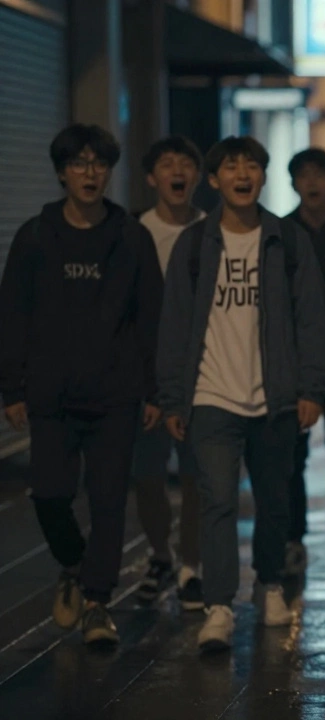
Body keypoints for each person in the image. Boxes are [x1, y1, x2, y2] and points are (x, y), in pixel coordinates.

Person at [155, 136, 325, 652]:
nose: (241, 174)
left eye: (250, 165)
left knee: (275, 499)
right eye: (230, 166)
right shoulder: (194, 244)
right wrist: (173, 398)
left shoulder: (287, 241)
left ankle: (271, 584)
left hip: (274, 396)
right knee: (217, 502)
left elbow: (312, 320)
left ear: (262, 176)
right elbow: (174, 326)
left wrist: (311, 388)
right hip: (211, 394)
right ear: (214, 180)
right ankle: (219, 607)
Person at [0, 124, 164, 647]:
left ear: (109, 172)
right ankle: (72, 562)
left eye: (99, 164)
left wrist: (156, 391)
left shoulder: (131, 238)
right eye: (79, 163)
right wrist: (12, 388)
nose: (90, 173)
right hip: (51, 395)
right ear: (61, 173)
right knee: (49, 494)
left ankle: (96, 602)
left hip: (115, 396)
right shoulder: (35, 236)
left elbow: (151, 319)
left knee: (110, 498)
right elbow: (13, 314)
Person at [133, 135, 207, 609]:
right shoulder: (134, 233)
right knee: (147, 475)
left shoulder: (212, 230)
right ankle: (160, 553)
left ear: (198, 176)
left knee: (198, 474)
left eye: (186, 163)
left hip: (202, 372)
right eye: (167, 164)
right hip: (146, 375)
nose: (177, 171)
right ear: (151, 177)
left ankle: (191, 565)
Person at [282, 147, 325, 578]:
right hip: (295, 360)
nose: (313, 182)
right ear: (294, 182)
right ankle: (293, 539)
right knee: (291, 458)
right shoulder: (281, 232)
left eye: (320, 174)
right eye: (304, 175)